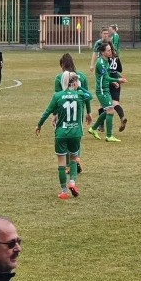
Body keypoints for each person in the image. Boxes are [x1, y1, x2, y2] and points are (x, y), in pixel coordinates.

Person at [37, 71, 92, 199]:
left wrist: (39, 125)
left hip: (61, 133)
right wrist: (79, 87)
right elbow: (90, 95)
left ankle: (64, 191)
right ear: (75, 83)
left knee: (62, 162)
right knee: (73, 158)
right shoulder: (80, 95)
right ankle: (72, 182)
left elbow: (47, 112)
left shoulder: (57, 95)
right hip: (76, 133)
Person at [55, 53, 93, 174]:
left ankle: (68, 165)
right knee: (76, 134)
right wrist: (89, 112)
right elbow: (87, 96)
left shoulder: (59, 78)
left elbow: (56, 98)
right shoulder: (81, 76)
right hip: (78, 109)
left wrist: (54, 115)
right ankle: (76, 159)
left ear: (62, 65)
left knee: (64, 135)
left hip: (63, 111)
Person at [88, 42, 127, 142]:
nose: (111, 52)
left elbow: (109, 73)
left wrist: (117, 78)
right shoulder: (100, 63)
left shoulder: (106, 61)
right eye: (108, 50)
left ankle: (93, 129)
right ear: (102, 52)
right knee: (110, 110)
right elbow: (106, 77)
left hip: (105, 89)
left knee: (107, 111)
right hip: (101, 90)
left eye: (110, 50)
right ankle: (109, 136)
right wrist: (117, 81)